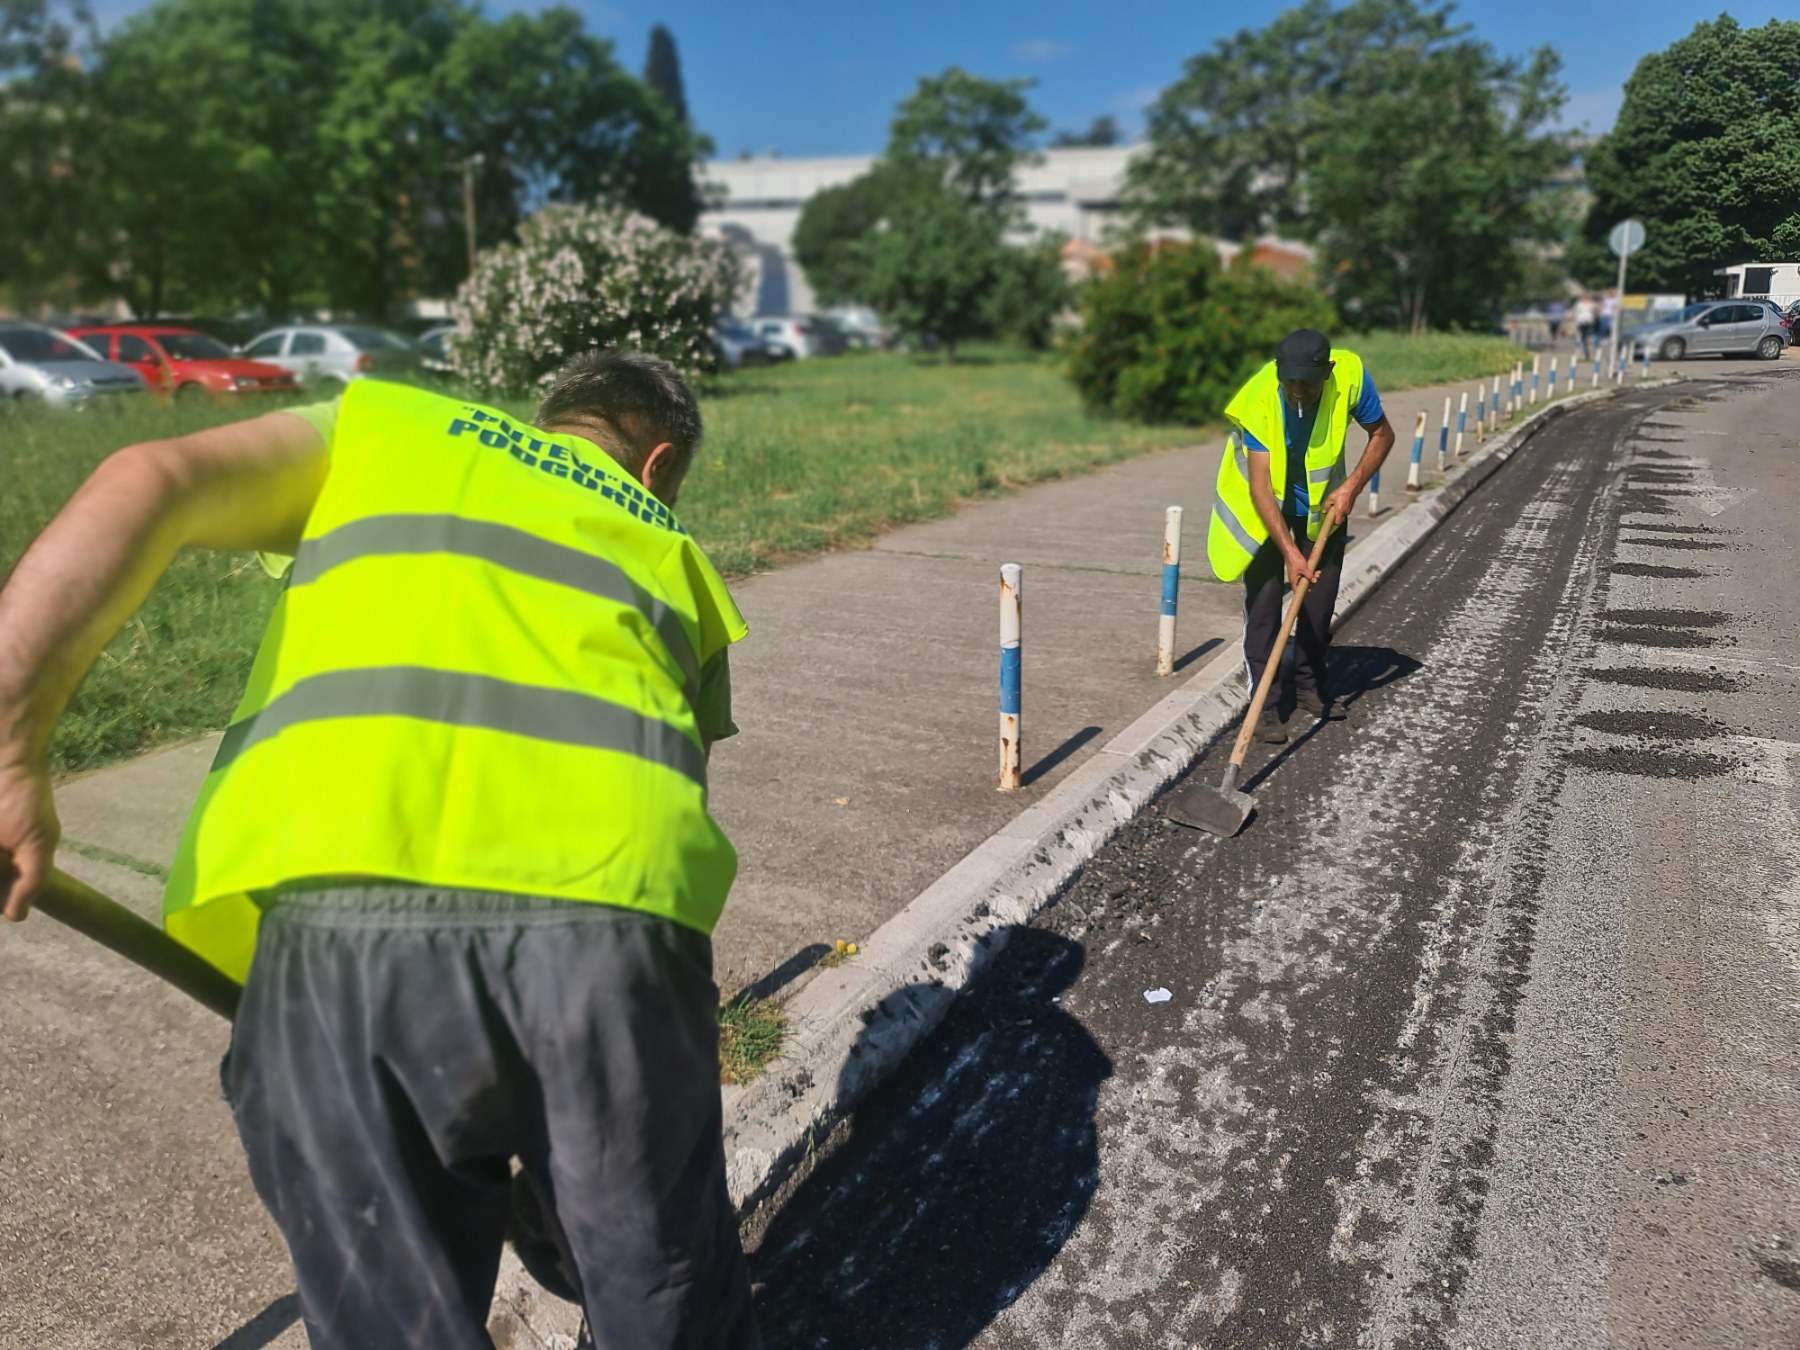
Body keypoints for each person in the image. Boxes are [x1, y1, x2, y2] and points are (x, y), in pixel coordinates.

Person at [0, 351, 759, 1349]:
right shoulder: (674, 550)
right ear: (657, 463)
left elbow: (144, 481)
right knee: (660, 1285)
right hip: (614, 913)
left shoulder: (386, 428)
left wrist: (11, 745)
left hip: (335, 921)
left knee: (393, 1325)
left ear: (553, 418)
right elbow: (680, 779)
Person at [1206, 328, 1396, 742]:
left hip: (1322, 509)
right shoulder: (1258, 399)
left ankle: (1310, 687)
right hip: (1264, 510)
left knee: (1317, 604)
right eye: (1288, 382)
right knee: (1266, 604)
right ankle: (1267, 701)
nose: (1296, 392)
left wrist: (1351, 487)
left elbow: (1383, 435)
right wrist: (1291, 553)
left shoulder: (1350, 377)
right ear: (1278, 372)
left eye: (1306, 385)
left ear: (1326, 373)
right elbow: (1259, 487)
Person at [1573, 293, 1598, 359]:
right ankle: (1588, 352)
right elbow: (1596, 312)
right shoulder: (1592, 304)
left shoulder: (1579, 304)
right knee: (1587, 337)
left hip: (1582, 321)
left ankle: (1584, 352)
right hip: (1588, 321)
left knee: (1582, 337)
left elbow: (1576, 313)